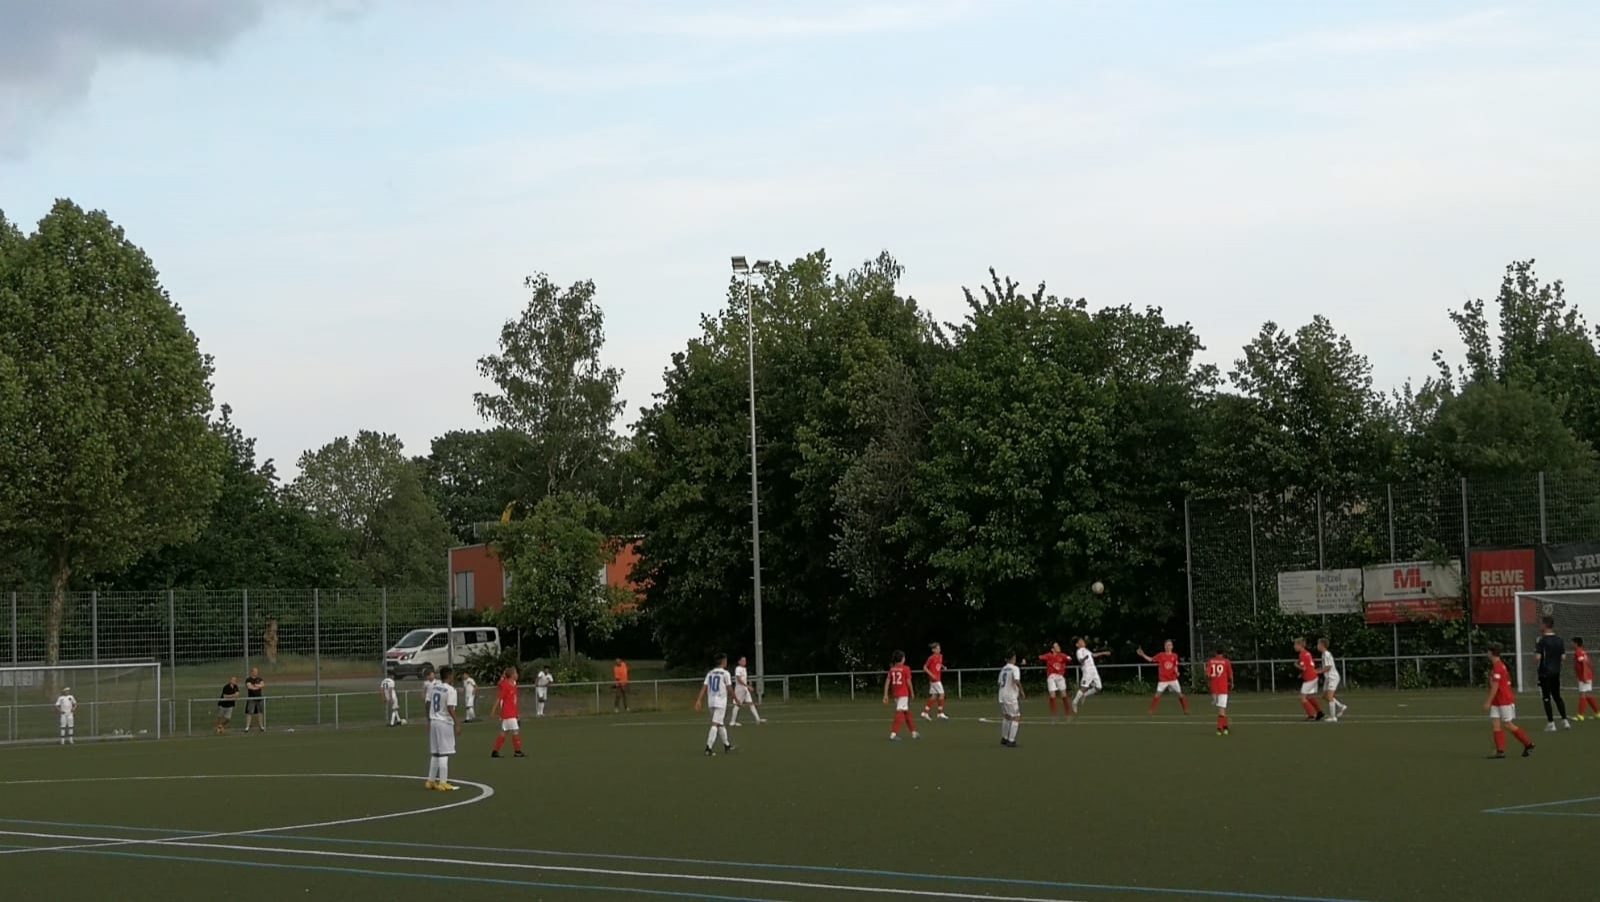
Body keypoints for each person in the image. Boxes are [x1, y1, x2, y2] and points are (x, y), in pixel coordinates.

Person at [1484, 644, 1534, 758]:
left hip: (1504, 700)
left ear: (1491, 653)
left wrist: (1488, 701)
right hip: (1497, 700)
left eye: (1488, 652)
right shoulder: (1498, 666)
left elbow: (1495, 686)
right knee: (1496, 724)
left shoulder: (1498, 666)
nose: (1487, 654)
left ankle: (1528, 744)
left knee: (1508, 724)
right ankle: (1500, 751)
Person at [425, 665, 462, 790]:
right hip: (444, 722)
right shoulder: (451, 690)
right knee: (444, 753)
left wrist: (428, 719)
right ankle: (443, 781)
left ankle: (430, 780)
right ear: (450, 676)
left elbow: (428, 703)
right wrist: (457, 723)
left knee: (435, 752)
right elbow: (450, 708)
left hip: (434, 721)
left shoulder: (434, 687)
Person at [693, 653, 736, 756]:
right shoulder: (725, 673)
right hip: (720, 702)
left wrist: (699, 700)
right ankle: (708, 748)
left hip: (711, 702)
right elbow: (729, 688)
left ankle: (727, 745)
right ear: (723, 662)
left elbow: (704, 687)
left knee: (720, 723)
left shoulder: (710, 673)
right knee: (715, 724)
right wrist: (736, 699)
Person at [1534, 616, 1572, 731]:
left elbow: (1537, 658)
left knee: (1546, 698)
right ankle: (1565, 721)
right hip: (1556, 672)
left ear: (1545, 625)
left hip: (1545, 673)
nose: (1539, 626)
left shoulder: (1541, 640)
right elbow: (1563, 657)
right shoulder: (1559, 640)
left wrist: (1538, 656)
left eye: (1541, 624)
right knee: (1557, 696)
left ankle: (1551, 723)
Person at [1137, 639, 1189, 715]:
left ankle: (1186, 710)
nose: (1168, 647)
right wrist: (1143, 655)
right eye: (1167, 645)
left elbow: (1175, 666)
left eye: (1169, 645)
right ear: (1164, 647)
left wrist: (1177, 672)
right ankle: (1151, 711)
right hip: (1163, 680)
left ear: (1172, 646)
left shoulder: (1175, 655)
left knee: (1180, 694)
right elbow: (1151, 659)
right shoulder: (1161, 655)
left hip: (1173, 679)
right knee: (1157, 694)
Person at [883, 650, 919, 740]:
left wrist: (885, 694)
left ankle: (914, 732)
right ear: (902, 659)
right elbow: (908, 682)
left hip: (896, 694)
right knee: (900, 712)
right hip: (903, 693)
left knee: (906, 712)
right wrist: (912, 692)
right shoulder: (906, 668)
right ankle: (893, 734)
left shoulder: (892, 669)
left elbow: (887, 682)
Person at [1070, 638, 1111, 714]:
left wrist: (1104, 653)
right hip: (1087, 670)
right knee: (1084, 687)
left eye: (1083, 641)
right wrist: (1084, 658)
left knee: (1099, 687)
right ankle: (1074, 703)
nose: (1083, 642)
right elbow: (1080, 660)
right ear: (1077, 645)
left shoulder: (1086, 650)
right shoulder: (1079, 651)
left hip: (1093, 670)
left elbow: (1093, 655)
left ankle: (1085, 695)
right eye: (1081, 641)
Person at [491, 666, 525, 758]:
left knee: (504, 732)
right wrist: (493, 710)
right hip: (508, 713)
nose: (517, 675)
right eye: (516, 673)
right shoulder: (505, 685)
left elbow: (514, 702)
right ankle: (517, 751)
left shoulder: (514, 686)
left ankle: (495, 751)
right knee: (515, 731)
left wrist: (517, 713)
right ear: (512, 675)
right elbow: (499, 698)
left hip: (512, 713)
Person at [1293, 639, 1325, 722]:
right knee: (1310, 696)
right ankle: (1319, 712)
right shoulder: (1308, 653)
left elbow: (1304, 668)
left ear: (1300, 645)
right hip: (1314, 677)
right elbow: (1309, 666)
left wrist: (1296, 665)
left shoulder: (1302, 655)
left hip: (1309, 679)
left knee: (1303, 697)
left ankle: (1311, 715)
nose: (1294, 647)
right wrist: (1302, 674)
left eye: (1295, 645)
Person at [1038, 642, 1073, 718]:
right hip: (1052, 677)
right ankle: (1054, 715)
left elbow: (1069, 658)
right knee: (1052, 695)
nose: (1058, 647)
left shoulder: (1062, 655)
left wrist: (1069, 658)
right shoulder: (1049, 655)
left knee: (1064, 695)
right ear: (1052, 649)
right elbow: (1040, 657)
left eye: (1058, 645)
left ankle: (1068, 713)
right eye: (1056, 646)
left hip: (1060, 677)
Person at [1317, 638, 1348, 722]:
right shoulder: (1323, 654)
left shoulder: (1327, 654)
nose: (1317, 646)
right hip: (1328, 678)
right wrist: (1318, 670)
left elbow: (1328, 667)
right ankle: (1340, 706)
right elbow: (1325, 667)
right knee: (1325, 696)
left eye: (1318, 644)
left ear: (1322, 645)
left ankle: (1333, 717)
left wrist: (1318, 671)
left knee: (1330, 696)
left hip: (1332, 677)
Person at [997, 652, 1024, 748]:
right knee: (1016, 717)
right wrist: (1021, 691)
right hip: (1010, 696)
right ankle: (1011, 740)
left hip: (1002, 695)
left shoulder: (1003, 669)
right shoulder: (1015, 668)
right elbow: (1016, 680)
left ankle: (1004, 738)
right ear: (1013, 658)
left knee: (1007, 716)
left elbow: (999, 682)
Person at [729, 655, 764, 726]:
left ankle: (757, 719)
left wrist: (746, 686)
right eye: (743, 660)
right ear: (739, 662)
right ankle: (732, 722)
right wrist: (747, 686)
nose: (744, 662)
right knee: (738, 704)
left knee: (751, 703)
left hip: (745, 689)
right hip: (740, 689)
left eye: (745, 660)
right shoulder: (738, 668)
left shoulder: (744, 669)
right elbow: (739, 679)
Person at [1207, 648, 1234, 736]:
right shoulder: (1226, 662)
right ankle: (1220, 728)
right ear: (1223, 653)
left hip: (1214, 688)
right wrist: (1232, 683)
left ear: (1215, 653)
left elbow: (1208, 674)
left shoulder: (1211, 661)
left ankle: (1225, 727)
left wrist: (1211, 680)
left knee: (1221, 709)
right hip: (1223, 688)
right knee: (1221, 709)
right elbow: (1230, 675)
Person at [920, 642, 949, 721]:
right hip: (935, 679)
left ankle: (925, 712)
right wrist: (932, 675)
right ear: (933, 650)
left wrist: (943, 667)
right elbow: (925, 667)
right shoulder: (931, 658)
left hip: (937, 678)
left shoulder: (940, 656)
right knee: (942, 694)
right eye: (937, 648)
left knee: (934, 695)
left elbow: (939, 664)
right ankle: (940, 713)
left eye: (939, 648)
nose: (939, 650)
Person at [1574, 637, 1597, 720]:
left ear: (1576, 643)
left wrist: (1584, 675)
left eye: (1572, 642)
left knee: (1583, 694)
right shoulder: (1582, 651)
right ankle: (1598, 713)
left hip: (1584, 676)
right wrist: (1589, 672)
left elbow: (1583, 663)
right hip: (1587, 675)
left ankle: (1580, 715)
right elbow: (1589, 663)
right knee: (1588, 694)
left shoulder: (1578, 652)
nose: (1571, 644)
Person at [243, 667, 266, 733]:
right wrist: (257, 686)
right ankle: (247, 727)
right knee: (250, 712)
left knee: (260, 712)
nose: (256, 673)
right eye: (255, 671)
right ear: (252, 672)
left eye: (257, 672)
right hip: (251, 698)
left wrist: (255, 685)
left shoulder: (260, 679)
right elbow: (250, 687)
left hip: (259, 698)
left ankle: (261, 726)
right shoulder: (248, 679)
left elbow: (263, 685)